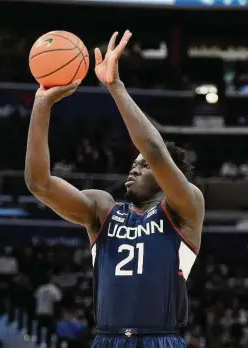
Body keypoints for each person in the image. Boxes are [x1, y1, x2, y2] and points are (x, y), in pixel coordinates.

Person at [25, 30, 205, 348]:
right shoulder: (102, 209)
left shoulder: (184, 208)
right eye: (134, 163)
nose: (134, 167)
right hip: (107, 341)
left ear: (167, 175)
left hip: (160, 340)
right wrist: (42, 104)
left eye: (144, 165)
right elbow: (39, 183)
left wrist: (115, 87)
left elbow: (152, 147)